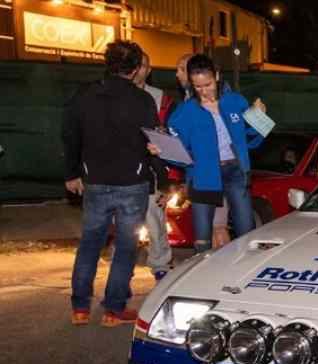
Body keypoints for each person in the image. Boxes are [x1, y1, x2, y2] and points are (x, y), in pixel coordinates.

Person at [62, 40, 160, 327]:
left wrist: (71, 173)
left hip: (95, 182)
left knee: (90, 243)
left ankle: (80, 308)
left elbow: (69, 135)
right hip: (132, 182)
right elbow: (153, 140)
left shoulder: (84, 94)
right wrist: (159, 177)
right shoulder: (142, 100)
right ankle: (112, 311)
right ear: (134, 70)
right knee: (126, 247)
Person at [150, 54, 266, 253]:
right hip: (204, 176)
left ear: (217, 76)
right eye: (198, 86)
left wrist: (260, 118)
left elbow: (251, 140)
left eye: (208, 84)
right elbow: (181, 155)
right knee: (203, 240)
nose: (204, 91)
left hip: (236, 171)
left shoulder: (236, 101)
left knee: (247, 230)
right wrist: (162, 151)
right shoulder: (184, 113)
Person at [133, 51, 173, 281]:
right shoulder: (114, 95)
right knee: (125, 224)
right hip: (122, 169)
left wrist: (168, 178)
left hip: (151, 169)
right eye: (138, 65)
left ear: (149, 70)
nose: (141, 69)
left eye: (145, 65)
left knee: (155, 221)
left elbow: (166, 137)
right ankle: (122, 271)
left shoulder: (160, 98)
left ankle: (161, 266)